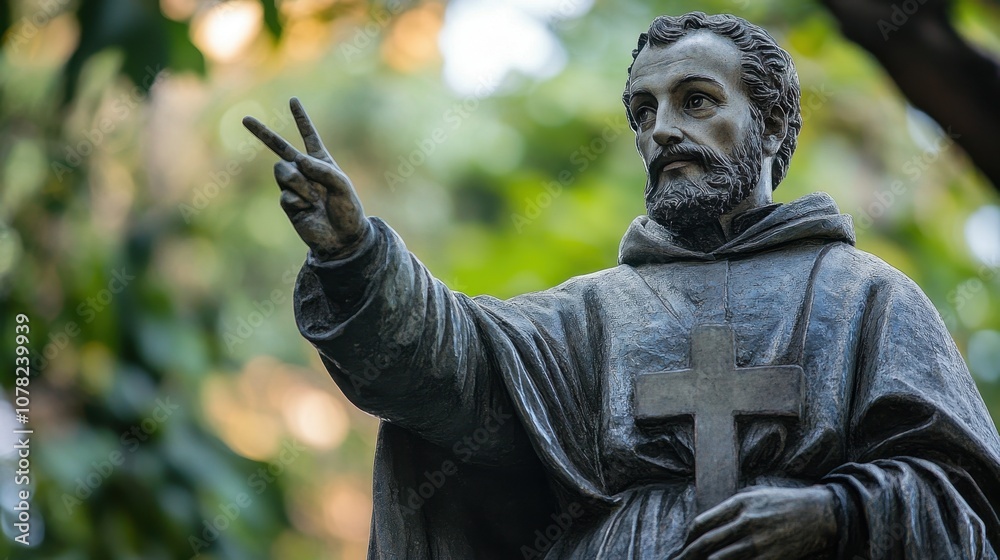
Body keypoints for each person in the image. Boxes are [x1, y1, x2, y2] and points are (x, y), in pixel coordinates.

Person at [245, 12, 1000, 559]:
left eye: (695, 101)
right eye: (645, 110)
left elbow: (968, 499)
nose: (662, 129)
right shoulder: (592, 313)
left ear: (771, 126)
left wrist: (836, 514)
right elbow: (447, 365)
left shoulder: (868, 298)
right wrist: (356, 254)